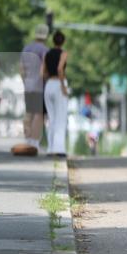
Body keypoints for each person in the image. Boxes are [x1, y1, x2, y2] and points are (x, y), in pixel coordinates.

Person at [19, 23, 49, 152]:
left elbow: (21, 68)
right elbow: (44, 70)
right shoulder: (44, 50)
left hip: (28, 85)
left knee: (29, 112)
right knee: (39, 114)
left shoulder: (26, 48)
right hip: (39, 85)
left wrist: (25, 81)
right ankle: (34, 142)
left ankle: (27, 139)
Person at [41, 30, 69, 158]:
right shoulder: (63, 53)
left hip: (48, 86)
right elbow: (59, 69)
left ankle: (50, 148)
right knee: (60, 118)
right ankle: (59, 149)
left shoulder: (47, 54)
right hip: (58, 84)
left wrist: (48, 81)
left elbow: (42, 73)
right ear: (63, 42)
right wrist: (63, 86)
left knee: (51, 118)